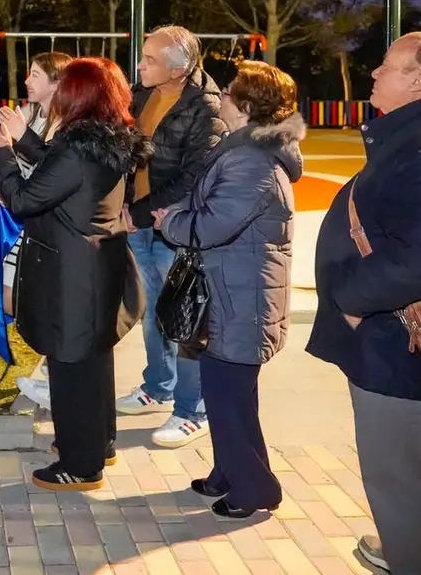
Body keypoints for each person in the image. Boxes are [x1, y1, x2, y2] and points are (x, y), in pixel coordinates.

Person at [0, 57, 151, 491]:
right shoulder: (104, 138)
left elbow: (24, 199)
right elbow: (57, 171)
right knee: (94, 358)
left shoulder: (77, 147)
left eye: (65, 87)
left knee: (71, 363)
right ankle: (98, 442)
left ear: (79, 95)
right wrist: (23, 141)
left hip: (72, 272)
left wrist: (1, 151)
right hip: (96, 265)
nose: (57, 94)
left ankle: (81, 463)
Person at [157, 61, 304, 518]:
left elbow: (213, 224)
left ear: (245, 105)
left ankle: (255, 489)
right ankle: (229, 472)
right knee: (228, 396)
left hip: (241, 299)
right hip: (233, 291)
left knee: (228, 398)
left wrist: (170, 222)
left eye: (228, 90)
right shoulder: (245, 151)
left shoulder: (251, 160)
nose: (221, 94)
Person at [307, 32, 421, 575]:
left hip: (398, 348)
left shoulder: (420, 148)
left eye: (387, 65)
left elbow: (420, 257)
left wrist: (351, 300)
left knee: (401, 480)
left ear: (420, 80)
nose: (374, 74)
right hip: (393, 339)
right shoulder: (408, 138)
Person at [117, 25, 227, 449]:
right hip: (139, 223)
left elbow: (195, 176)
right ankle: (158, 386)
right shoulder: (141, 93)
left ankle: (193, 410)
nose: (140, 65)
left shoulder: (206, 107)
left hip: (173, 227)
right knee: (153, 313)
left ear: (178, 70)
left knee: (186, 319)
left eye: (150, 60)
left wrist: (141, 212)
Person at [0, 52, 72, 412]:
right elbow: (20, 163)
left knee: (38, 301)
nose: (27, 80)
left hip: (48, 228)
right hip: (30, 225)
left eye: (35, 74)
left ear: (57, 82)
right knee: (13, 298)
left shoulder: (66, 124)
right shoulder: (33, 115)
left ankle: (57, 378)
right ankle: (54, 371)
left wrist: (10, 152)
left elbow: (48, 175)